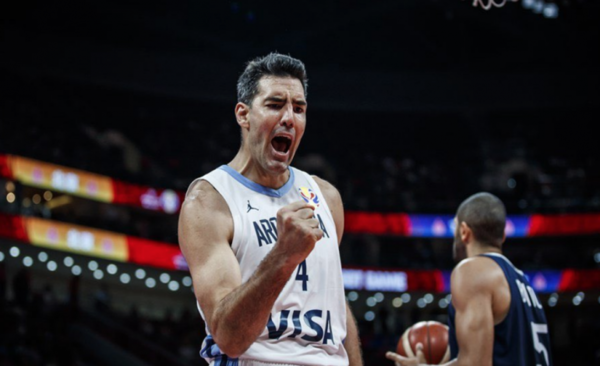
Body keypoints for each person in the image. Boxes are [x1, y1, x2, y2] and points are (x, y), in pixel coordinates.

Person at [178, 53, 362, 366]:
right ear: (243, 114)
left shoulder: (325, 197)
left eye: (299, 108)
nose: (290, 118)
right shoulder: (209, 201)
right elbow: (229, 337)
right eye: (275, 105)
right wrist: (284, 255)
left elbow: (334, 303)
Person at [386, 192, 552, 366]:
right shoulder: (524, 283)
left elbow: (476, 363)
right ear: (502, 236)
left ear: (464, 232)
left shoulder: (472, 271)